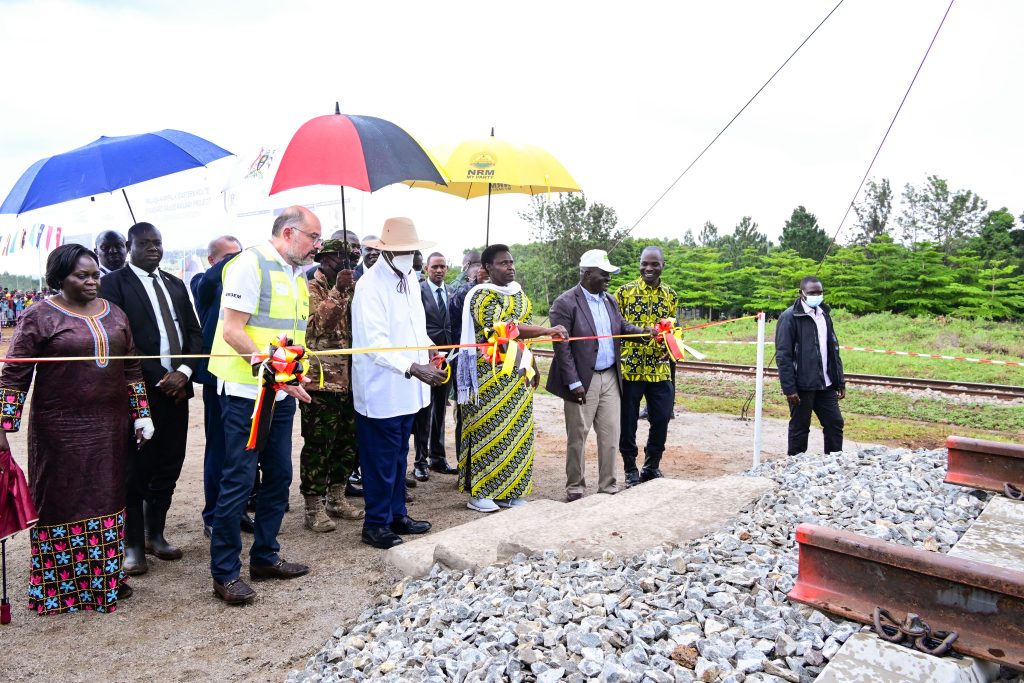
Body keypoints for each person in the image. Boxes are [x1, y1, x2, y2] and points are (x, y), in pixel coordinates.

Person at [0, 244, 154, 614]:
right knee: (62, 500)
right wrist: (3, 426)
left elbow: (131, 367)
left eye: (95, 275)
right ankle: (61, 589)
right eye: (81, 276)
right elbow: (15, 374)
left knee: (108, 496)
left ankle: (106, 580)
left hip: (110, 428)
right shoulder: (39, 315)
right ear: (59, 278)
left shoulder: (115, 313)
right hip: (59, 430)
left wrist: (141, 414)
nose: (91, 281)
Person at [206, 205, 317, 604]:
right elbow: (233, 330)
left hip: (279, 391)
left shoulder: (296, 274)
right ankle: (224, 573)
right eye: (313, 238)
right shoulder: (249, 264)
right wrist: (274, 371)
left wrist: (292, 375)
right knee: (238, 480)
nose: (317, 246)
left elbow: (288, 341)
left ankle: (265, 556)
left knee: (280, 475)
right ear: (289, 233)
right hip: (244, 395)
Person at [99, 223, 203, 575]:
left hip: (179, 390)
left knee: (170, 463)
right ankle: (132, 545)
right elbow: (117, 339)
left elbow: (194, 332)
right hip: (140, 391)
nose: (153, 248)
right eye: (145, 243)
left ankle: (155, 533)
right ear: (130, 246)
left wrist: (184, 372)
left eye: (157, 242)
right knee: (137, 468)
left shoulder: (174, 284)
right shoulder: (113, 284)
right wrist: (161, 375)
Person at [351, 217, 446, 549]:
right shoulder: (369, 286)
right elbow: (373, 344)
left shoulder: (410, 279)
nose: (410, 256)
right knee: (379, 461)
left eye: (413, 250)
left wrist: (432, 352)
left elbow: (416, 329)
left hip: (409, 390)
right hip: (382, 391)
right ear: (386, 251)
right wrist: (414, 367)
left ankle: (396, 514)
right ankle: (375, 524)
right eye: (403, 250)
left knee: (397, 457)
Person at [456, 244, 567, 513]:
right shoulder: (481, 297)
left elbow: (520, 341)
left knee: (518, 434)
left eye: (511, 262)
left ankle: (510, 490)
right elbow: (504, 331)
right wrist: (546, 330)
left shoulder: (519, 294)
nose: (511, 267)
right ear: (487, 268)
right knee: (489, 432)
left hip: (517, 374)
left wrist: (533, 366)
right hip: (489, 376)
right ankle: (480, 493)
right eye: (503, 263)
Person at [548, 250, 650, 501]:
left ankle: (608, 486)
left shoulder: (609, 300)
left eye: (609, 274)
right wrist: (574, 382)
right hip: (583, 379)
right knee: (578, 436)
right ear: (587, 273)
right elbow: (562, 347)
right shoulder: (565, 302)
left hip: (610, 378)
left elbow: (621, 327)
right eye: (604, 274)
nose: (608, 278)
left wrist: (643, 333)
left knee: (610, 435)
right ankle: (575, 487)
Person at [299, 235, 366, 532]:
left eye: (351, 258)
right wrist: (338, 290)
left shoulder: (355, 288)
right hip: (321, 381)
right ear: (325, 260)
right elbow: (314, 329)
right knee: (318, 445)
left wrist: (347, 289)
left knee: (346, 443)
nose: (347, 263)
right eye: (341, 257)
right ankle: (313, 507)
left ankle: (336, 498)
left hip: (351, 380)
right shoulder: (309, 287)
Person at [190, 235, 255, 539]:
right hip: (217, 378)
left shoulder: (244, 283)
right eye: (230, 256)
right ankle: (213, 514)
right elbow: (210, 280)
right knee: (219, 447)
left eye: (240, 255)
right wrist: (242, 259)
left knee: (242, 449)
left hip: (244, 375)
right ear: (212, 261)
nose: (238, 261)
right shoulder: (204, 282)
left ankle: (237, 509)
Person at [614, 246, 679, 487]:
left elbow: (673, 327)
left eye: (654, 264)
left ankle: (651, 466)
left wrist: (670, 345)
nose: (648, 269)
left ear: (663, 265)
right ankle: (630, 468)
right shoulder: (623, 293)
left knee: (661, 418)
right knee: (628, 420)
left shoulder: (670, 295)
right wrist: (640, 334)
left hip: (660, 369)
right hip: (630, 368)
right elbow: (617, 328)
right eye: (644, 264)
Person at [775, 276, 846, 455]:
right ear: (802, 293)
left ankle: (833, 461)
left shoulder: (824, 315)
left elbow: (832, 350)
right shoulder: (789, 317)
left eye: (820, 292)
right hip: (801, 386)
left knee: (835, 423)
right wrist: (789, 388)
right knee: (800, 427)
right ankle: (795, 466)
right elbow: (783, 356)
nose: (817, 295)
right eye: (812, 293)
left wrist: (840, 381)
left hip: (826, 384)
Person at [413, 252, 458, 482]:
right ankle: (420, 461)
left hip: (448, 359)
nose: (439, 270)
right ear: (427, 270)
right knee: (424, 411)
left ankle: (438, 458)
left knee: (440, 408)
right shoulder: (417, 291)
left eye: (442, 267)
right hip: (425, 359)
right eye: (435, 267)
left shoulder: (452, 292)